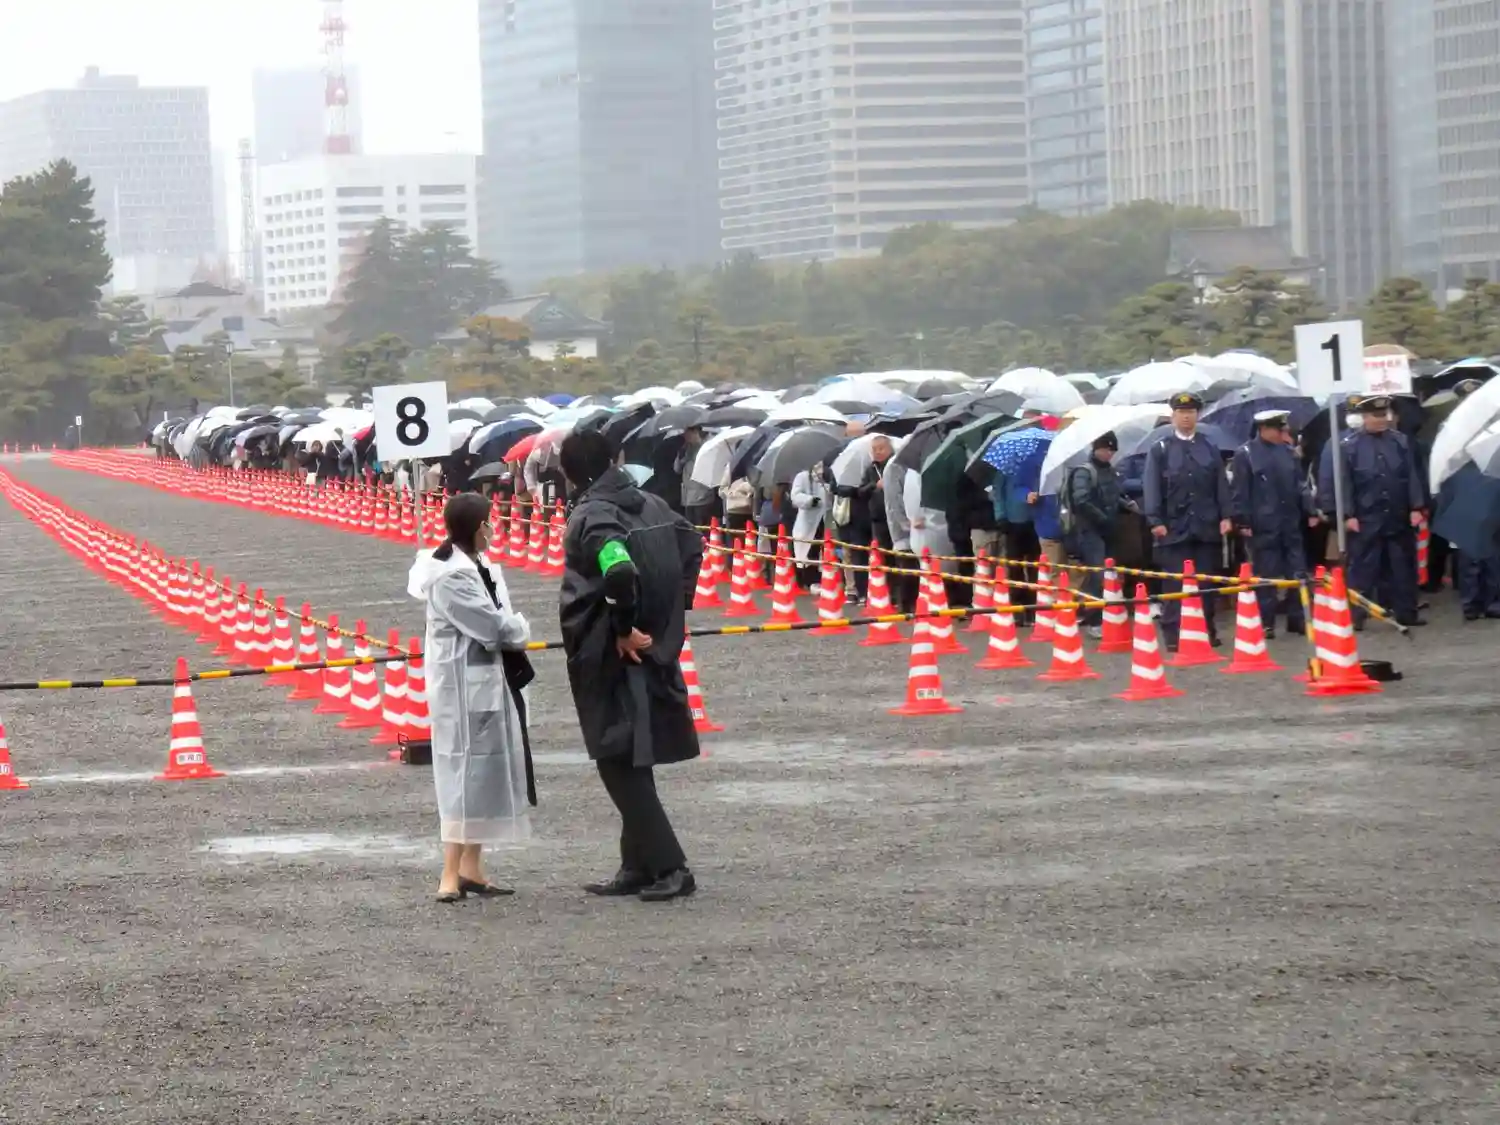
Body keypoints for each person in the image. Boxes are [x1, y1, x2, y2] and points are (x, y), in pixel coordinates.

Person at [558, 430, 704, 903]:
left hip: (611, 651)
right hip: (654, 646)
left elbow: (618, 568)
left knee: (616, 758)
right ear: (613, 459)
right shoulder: (653, 503)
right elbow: (692, 543)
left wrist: (623, 626)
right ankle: (637, 864)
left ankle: (670, 866)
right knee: (631, 752)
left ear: (569, 472)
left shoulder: (594, 515)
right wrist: (672, 611)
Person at [407, 491, 534, 904]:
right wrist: (520, 628)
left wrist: (511, 628)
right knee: (460, 774)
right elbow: (494, 627)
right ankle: (449, 873)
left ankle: (472, 868)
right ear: (479, 527)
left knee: (485, 772)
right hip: (460, 687)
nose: (493, 528)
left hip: (485, 681)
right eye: (489, 522)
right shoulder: (450, 575)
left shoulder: (480, 566)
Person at [1318, 395, 1427, 627]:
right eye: (1376, 416)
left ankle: (1407, 613)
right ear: (1364, 417)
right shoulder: (1348, 446)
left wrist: (1417, 506)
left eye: (1384, 415)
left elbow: (1412, 476)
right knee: (1362, 570)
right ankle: (1356, 616)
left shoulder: (1400, 441)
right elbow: (1342, 482)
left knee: (1402, 569)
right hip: (1366, 518)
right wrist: (1346, 515)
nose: (1381, 420)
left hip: (1397, 516)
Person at [1144, 392, 1232, 649]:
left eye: (1191, 412)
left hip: (1205, 526)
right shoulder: (1161, 449)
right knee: (1175, 584)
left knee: (1205, 583)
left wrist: (1226, 515)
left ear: (1197, 415)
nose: (1186, 417)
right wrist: (1155, 520)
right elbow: (1152, 486)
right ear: (1173, 416)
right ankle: (1173, 634)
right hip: (1174, 527)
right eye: (1181, 412)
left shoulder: (1209, 447)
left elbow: (1220, 485)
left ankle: (1207, 630)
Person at [1230, 410, 1314, 636]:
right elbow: (1240, 491)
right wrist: (1243, 521)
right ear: (1263, 429)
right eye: (1278, 429)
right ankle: (1266, 621)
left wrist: (1310, 510)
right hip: (1263, 525)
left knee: (1297, 573)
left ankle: (1297, 618)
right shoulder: (1246, 454)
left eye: (1283, 429)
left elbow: (1300, 485)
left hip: (1290, 522)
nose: (1282, 434)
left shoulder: (1289, 453)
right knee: (1266, 575)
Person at [1063, 431, 1132, 636]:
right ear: (1096, 449)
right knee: (1099, 574)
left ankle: (1083, 611)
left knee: (1103, 574)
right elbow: (1081, 500)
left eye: (1112, 450)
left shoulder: (1109, 471)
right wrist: (1103, 518)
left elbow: (1113, 495)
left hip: (1108, 529)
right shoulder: (1084, 472)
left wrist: (1126, 505)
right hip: (1090, 530)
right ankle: (1095, 621)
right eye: (1105, 449)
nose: (1108, 453)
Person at [835, 435, 893, 603]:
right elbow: (861, 491)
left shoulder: (895, 465)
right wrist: (875, 485)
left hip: (892, 517)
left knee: (891, 556)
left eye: (881, 448)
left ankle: (892, 593)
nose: (878, 452)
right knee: (871, 555)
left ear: (889, 448)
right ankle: (865, 592)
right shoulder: (870, 469)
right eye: (874, 449)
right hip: (872, 518)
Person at [790, 462, 829, 589]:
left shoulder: (828, 477)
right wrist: (810, 500)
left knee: (822, 549)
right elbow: (795, 496)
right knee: (808, 550)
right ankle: (809, 580)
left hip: (825, 519)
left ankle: (821, 579)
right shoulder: (803, 477)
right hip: (808, 520)